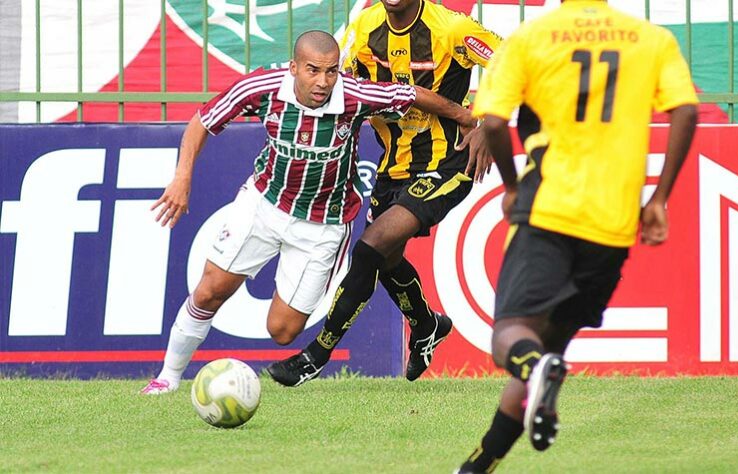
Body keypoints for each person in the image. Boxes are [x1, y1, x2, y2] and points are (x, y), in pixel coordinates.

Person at [140, 30, 476, 395]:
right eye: (313, 70)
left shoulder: (354, 94)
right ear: (294, 68)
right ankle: (167, 378)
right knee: (209, 291)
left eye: (331, 71)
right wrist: (182, 177)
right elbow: (202, 121)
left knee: (283, 331)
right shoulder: (262, 87)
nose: (323, 81)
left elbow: (411, 94)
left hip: (323, 225)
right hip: (264, 204)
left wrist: (466, 119)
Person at [455, 0, 699, 471]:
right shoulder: (651, 38)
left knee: (511, 336)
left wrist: (509, 186)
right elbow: (685, 113)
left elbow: (493, 121)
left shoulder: (532, 36)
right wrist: (659, 199)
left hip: (549, 207)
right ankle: (475, 467)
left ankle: (535, 372)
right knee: (545, 351)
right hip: (612, 221)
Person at [267, 0, 502, 387]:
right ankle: (428, 325)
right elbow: (340, 90)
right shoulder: (363, 28)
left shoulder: (451, 29)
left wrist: (489, 122)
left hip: (447, 163)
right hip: (392, 167)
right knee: (388, 260)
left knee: (370, 246)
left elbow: (511, 62)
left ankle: (316, 355)